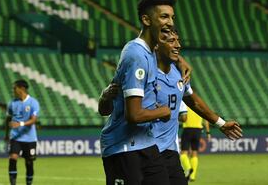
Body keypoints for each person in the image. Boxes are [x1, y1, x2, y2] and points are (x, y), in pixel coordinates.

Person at [100, 30, 243, 185]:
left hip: (169, 151)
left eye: (178, 41)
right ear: (155, 45)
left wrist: (221, 123)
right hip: (143, 150)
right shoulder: (142, 69)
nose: (178, 45)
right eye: (171, 41)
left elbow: (193, 101)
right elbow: (109, 109)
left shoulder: (179, 74)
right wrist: (105, 97)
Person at [99, 0, 195, 185]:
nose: (170, 22)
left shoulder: (149, 52)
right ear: (146, 19)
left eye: (172, 17)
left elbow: (164, 51)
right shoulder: (136, 55)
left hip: (146, 144)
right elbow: (133, 115)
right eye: (164, 16)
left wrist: (180, 61)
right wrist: (163, 111)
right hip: (123, 147)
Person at [5, 80, 39, 185]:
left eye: (15, 88)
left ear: (22, 88)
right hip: (15, 137)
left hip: (30, 138)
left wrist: (20, 124)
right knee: (13, 157)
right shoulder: (12, 103)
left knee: (29, 162)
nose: (13, 90)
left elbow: (33, 120)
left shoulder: (33, 102)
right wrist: (6, 134)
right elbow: (8, 119)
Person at [179, 102, 211, 182]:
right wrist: (208, 132)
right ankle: (192, 176)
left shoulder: (184, 105)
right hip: (198, 130)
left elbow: (182, 118)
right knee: (195, 152)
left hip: (188, 129)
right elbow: (206, 120)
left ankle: (189, 168)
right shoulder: (200, 106)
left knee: (183, 153)